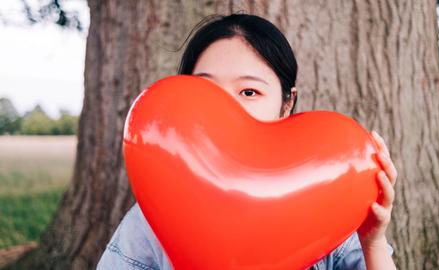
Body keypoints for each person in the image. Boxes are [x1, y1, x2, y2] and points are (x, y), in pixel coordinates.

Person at [96, 13, 398, 270]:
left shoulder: (330, 203)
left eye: (249, 92)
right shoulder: (153, 217)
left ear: (286, 102)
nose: (225, 107)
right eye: (206, 90)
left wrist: (373, 243)